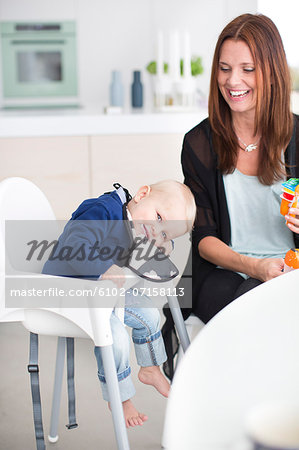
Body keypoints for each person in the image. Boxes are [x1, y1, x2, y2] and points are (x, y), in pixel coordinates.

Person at [162, 13, 299, 380]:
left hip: (292, 270)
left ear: (270, 71)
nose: (232, 81)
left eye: (247, 69)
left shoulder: (298, 137)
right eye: (224, 68)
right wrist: (253, 267)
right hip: (224, 269)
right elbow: (203, 239)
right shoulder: (199, 144)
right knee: (247, 303)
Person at [42, 179, 196, 427]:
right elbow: (74, 246)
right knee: (117, 337)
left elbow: (138, 250)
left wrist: (161, 247)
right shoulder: (102, 211)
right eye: (158, 218)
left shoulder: (138, 223)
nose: (156, 232)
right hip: (69, 288)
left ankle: (150, 367)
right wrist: (102, 267)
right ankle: (120, 397)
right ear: (142, 194)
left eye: (165, 232)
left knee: (150, 314)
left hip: (103, 292)